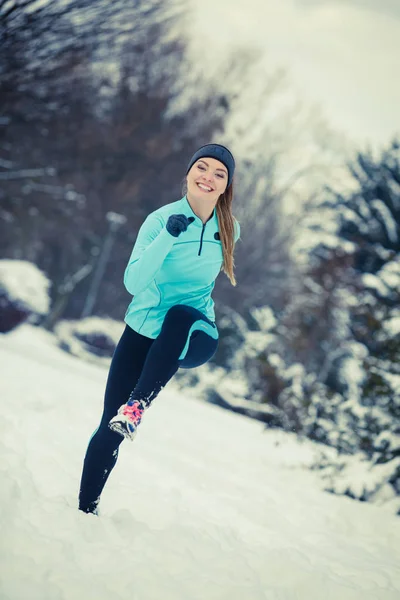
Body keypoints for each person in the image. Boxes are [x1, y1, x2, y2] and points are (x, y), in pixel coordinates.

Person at [78, 143, 241, 514]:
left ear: (226, 186)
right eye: (202, 167)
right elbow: (134, 283)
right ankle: (86, 509)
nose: (208, 177)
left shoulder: (229, 229)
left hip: (195, 334)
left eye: (220, 173)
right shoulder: (159, 220)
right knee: (108, 427)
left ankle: (137, 405)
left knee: (180, 315)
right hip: (143, 334)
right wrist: (169, 235)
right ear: (187, 174)